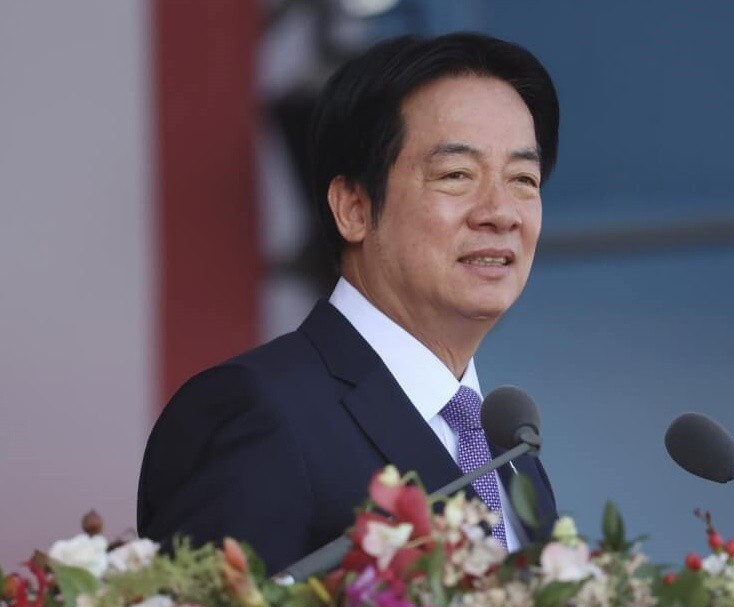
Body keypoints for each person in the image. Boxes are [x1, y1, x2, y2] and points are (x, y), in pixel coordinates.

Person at [137, 32, 560, 575]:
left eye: (523, 179)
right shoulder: (254, 411)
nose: (501, 213)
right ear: (354, 208)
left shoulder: (509, 450)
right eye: (457, 175)